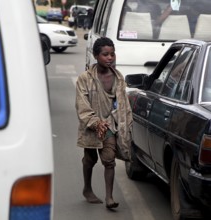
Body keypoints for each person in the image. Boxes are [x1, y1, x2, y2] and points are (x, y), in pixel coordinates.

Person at [75, 37, 133, 209]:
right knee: (89, 159)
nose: (110, 58)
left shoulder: (118, 78)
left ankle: (109, 197)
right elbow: (81, 105)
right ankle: (87, 188)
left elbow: (124, 106)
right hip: (91, 126)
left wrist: (124, 126)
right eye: (105, 54)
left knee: (109, 160)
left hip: (109, 126)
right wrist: (94, 122)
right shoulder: (85, 79)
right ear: (96, 55)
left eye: (112, 54)